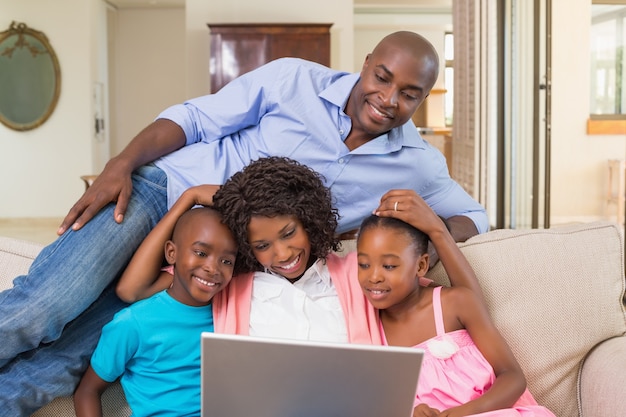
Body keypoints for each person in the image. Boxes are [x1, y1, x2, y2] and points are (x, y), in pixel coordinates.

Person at [0, 31, 489, 415]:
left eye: (408, 93)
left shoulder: (417, 163)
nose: (387, 98)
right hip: (164, 194)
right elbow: (194, 119)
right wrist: (120, 165)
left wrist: (428, 223)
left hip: (221, 260)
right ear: (364, 65)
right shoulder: (293, 80)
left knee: (69, 357)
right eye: (381, 77)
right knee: (44, 306)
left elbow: (475, 216)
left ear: (422, 99)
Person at [356, 209, 555, 416]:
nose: (374, 276)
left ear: (421, 265)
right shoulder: (368, 329)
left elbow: (513, 377)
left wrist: (463, 413)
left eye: (389, 266)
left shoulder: (455, 303)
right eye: (364, 265)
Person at [74, 206, 239, 417]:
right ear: (172, 253)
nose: (213, 268)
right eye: (201, 253)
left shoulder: (233, 315)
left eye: (226, 261)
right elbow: (87, 391)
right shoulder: (133, 322)